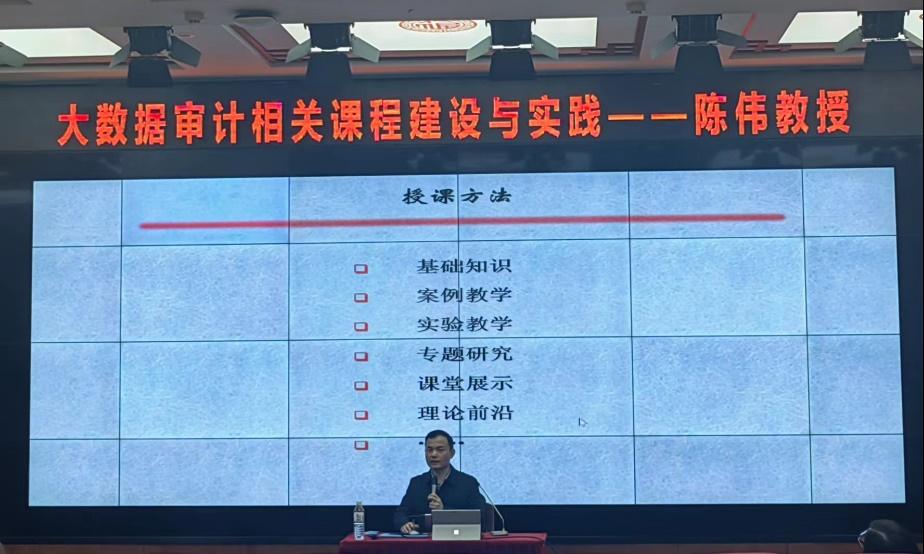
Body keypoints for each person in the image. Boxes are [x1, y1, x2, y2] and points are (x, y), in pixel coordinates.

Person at [393, 429, 491, 534]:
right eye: (429, 450)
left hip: (457, 539)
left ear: (452, 453)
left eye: (440, 450)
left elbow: (480, 517)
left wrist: (444, 511)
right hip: (423, 541)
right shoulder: (417, 483)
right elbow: (400, 513)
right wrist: (404, 524)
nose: (433, 454)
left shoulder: (467, 483)